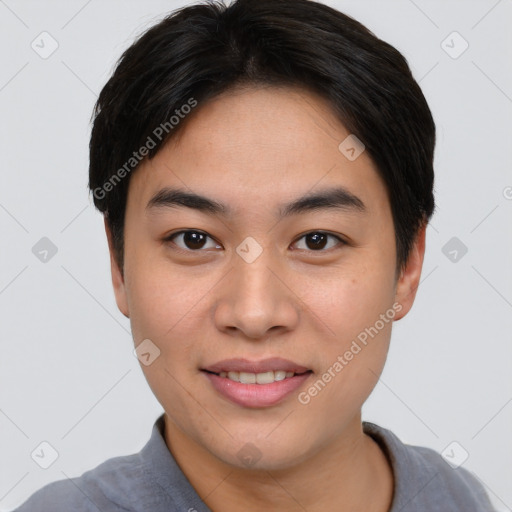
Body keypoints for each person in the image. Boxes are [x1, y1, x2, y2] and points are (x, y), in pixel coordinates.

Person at [13, 0, 496, 510]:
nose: (254, 313)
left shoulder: (456, 498)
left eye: (317, 240)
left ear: (408, 265)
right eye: (193, 239)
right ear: (119, 264)